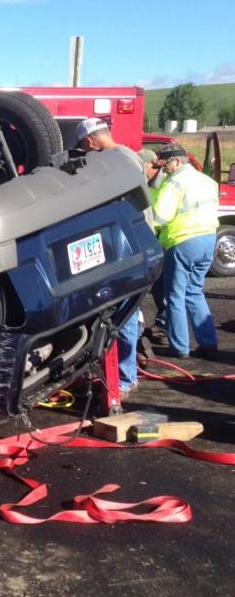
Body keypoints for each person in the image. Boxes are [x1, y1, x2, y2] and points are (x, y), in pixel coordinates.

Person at [75, 118, 147, 394]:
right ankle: (119, 374)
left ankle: (124, 378)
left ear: (91, 141)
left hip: (127, 247)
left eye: (85, 146)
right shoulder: (128, 156)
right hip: (134, 244)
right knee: (126, 311)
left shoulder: (112, 162)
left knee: (122, 314)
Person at [152, 143, 219, 359]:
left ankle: (179, 347)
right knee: (195, 291)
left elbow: (160, 216)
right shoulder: (207, 180)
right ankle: (208, 342)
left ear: (178, 161)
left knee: (175, 296)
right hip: (208, 240)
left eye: (166, 164)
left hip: (183, 242)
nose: (165, 169)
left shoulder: (175, 183)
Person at [137, 149, 168, 344]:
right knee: (156, 286)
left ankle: (164, 326)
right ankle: (162, 324)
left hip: (161, 239)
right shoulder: (148, 184)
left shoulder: (162, 184)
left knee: (161, 286)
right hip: (154, 239)